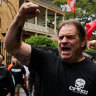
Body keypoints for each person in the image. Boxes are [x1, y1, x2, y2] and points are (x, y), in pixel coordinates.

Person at [4, 2, 96, 96]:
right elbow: (12, 46)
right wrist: (20, 16)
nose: (63, 41)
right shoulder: (46, 60)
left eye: (70, 37)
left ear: (82, 42)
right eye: (60, 38)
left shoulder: (93, 71)